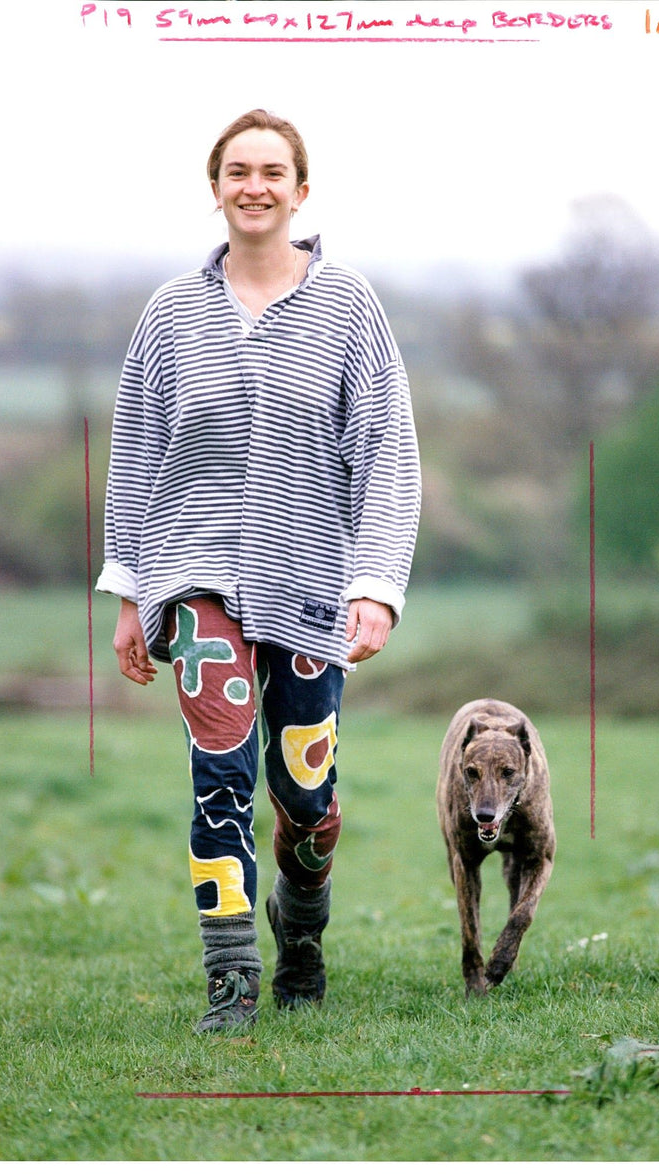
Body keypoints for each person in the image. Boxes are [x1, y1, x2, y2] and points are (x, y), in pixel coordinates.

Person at [97, 109, 421, 1033]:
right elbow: (135, 455)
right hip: (192, 576)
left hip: (313, 576)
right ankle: (231, 979)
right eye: (237, 171)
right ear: (215, 188)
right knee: (219, 772)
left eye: (273, 172)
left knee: (305, 795)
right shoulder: (170, 314)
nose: (255, 186)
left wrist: (376, 583)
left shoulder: (349, 306)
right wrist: (130, 593)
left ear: (301, 190)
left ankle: (303, 927)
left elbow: (386, 451)